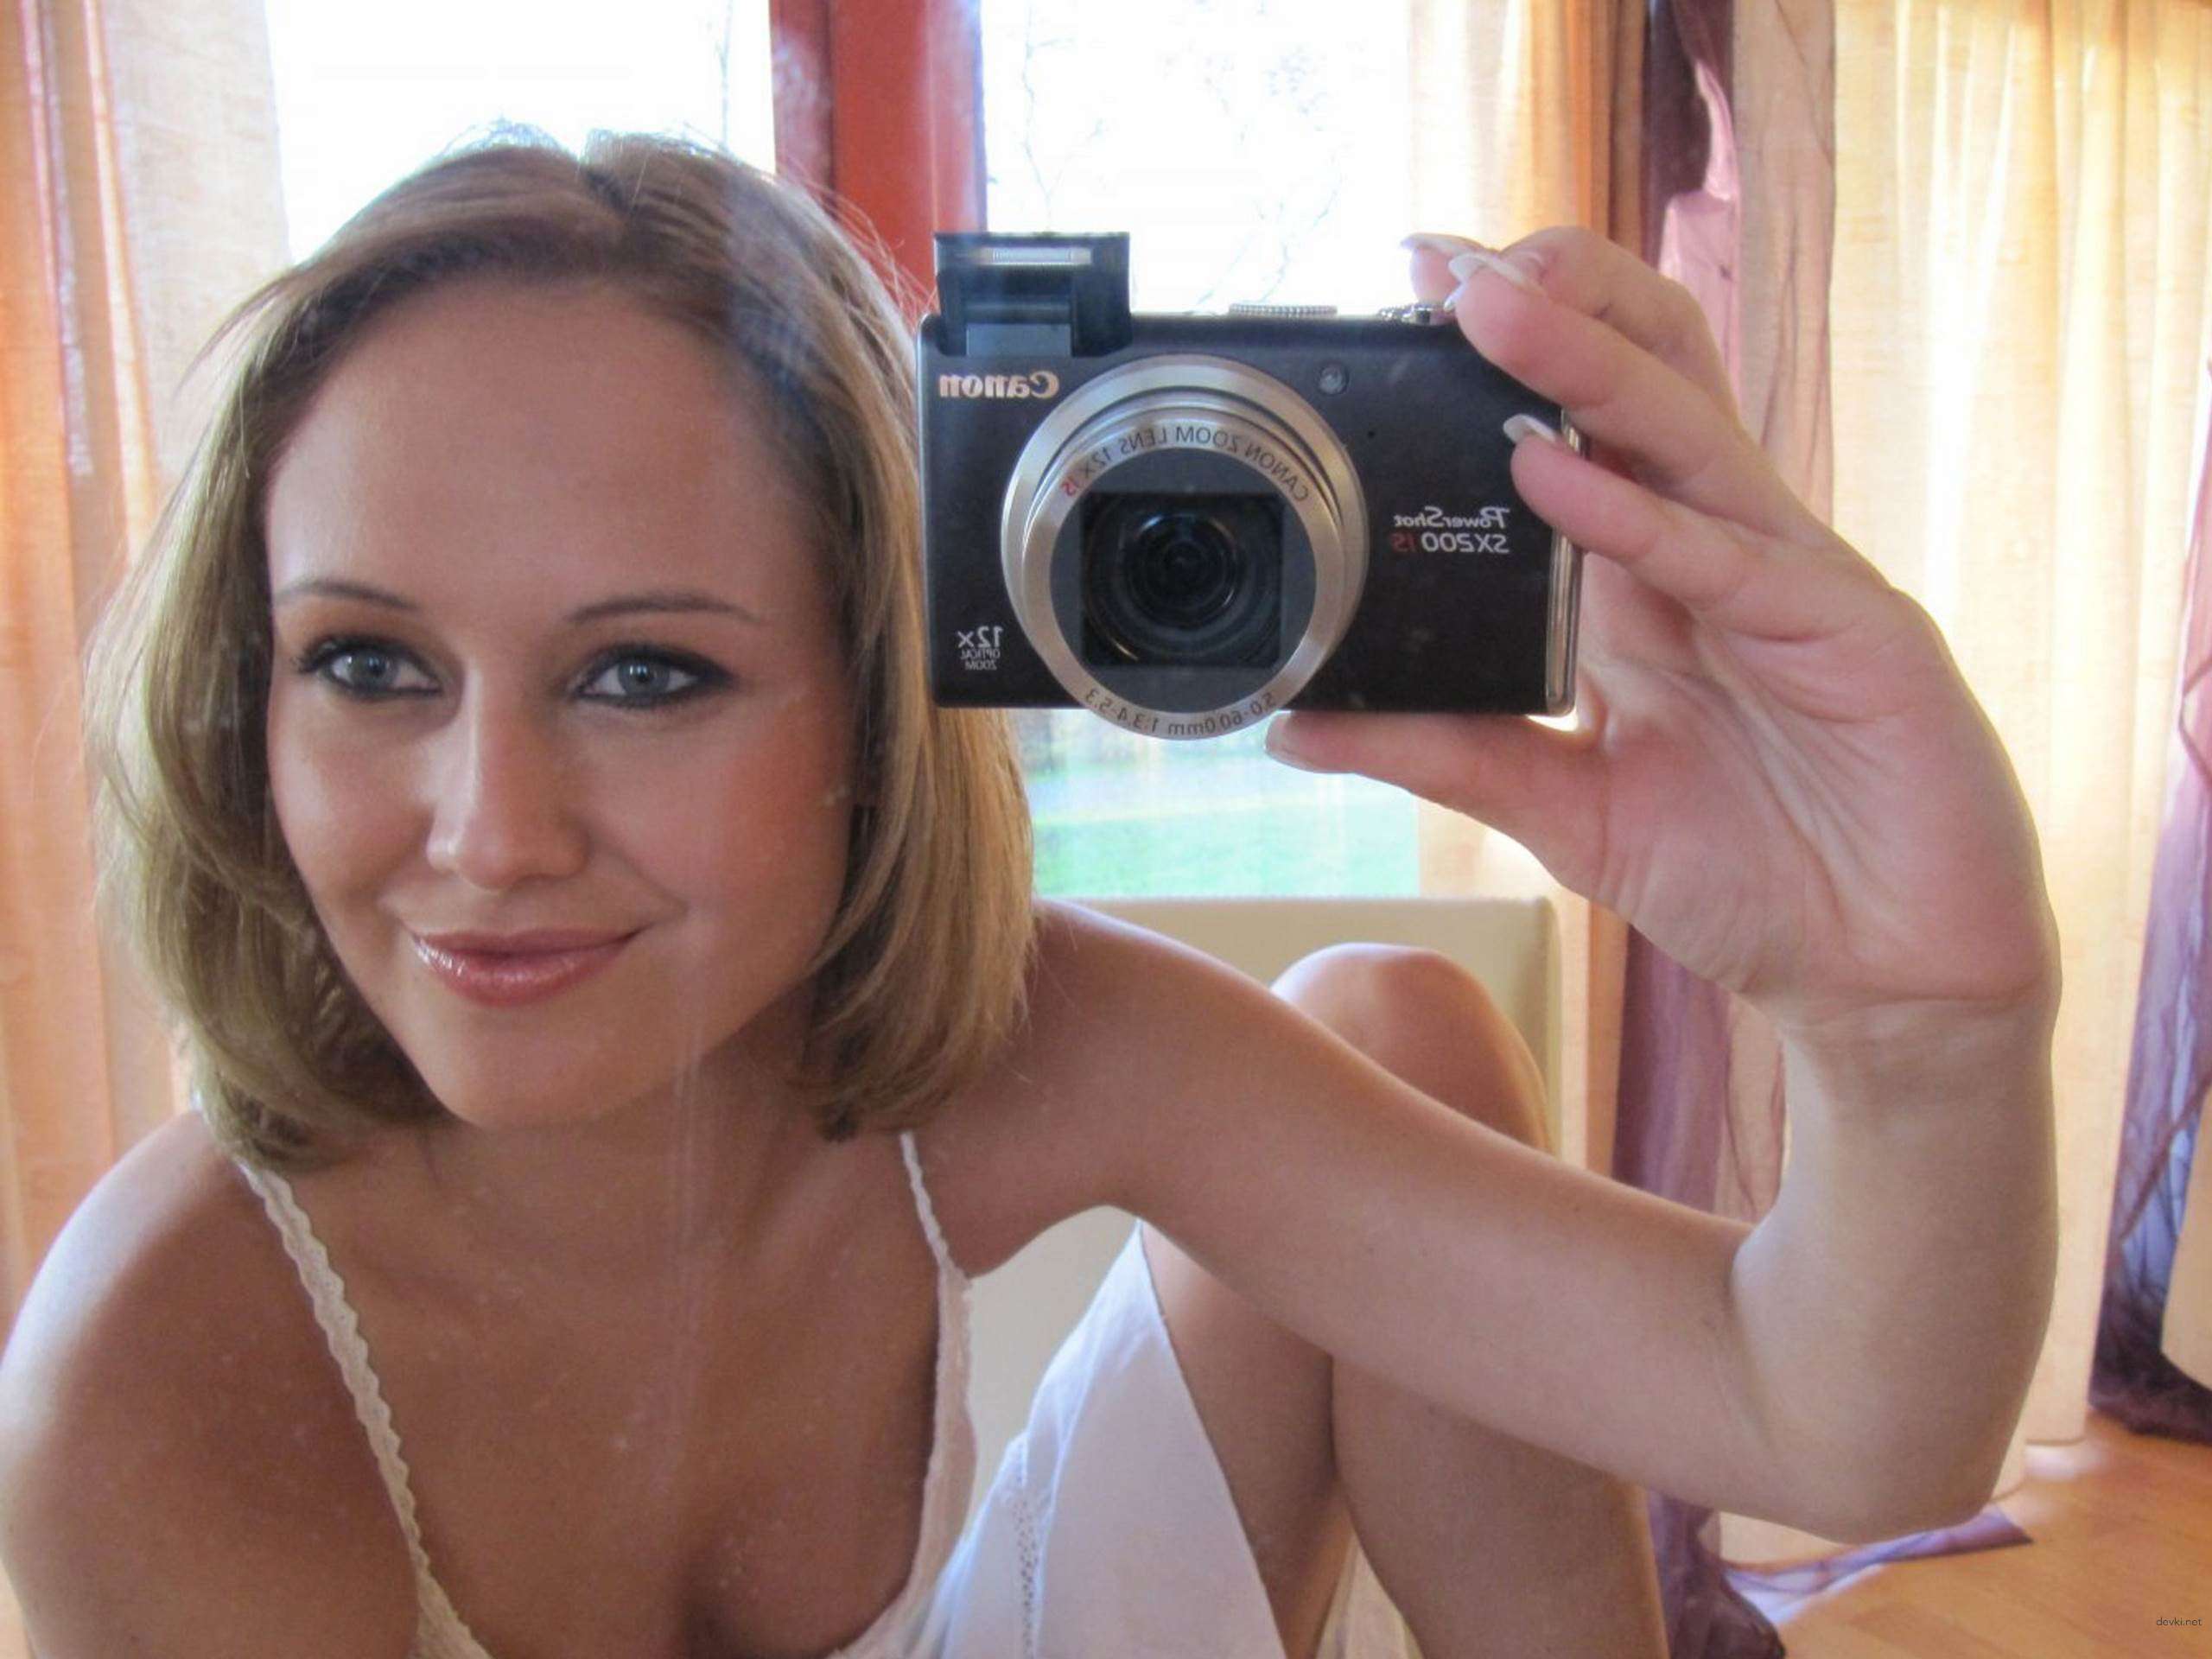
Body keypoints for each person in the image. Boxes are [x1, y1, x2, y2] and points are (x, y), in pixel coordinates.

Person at [0, 129, 2059, 1659]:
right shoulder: (165, 1370)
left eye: (645, 676)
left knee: (1401, 1030)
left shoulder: (1031, 1053)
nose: (489, 832)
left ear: (878, 697)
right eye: (368, 664)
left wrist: (1912, 1037)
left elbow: (1834, 1424)